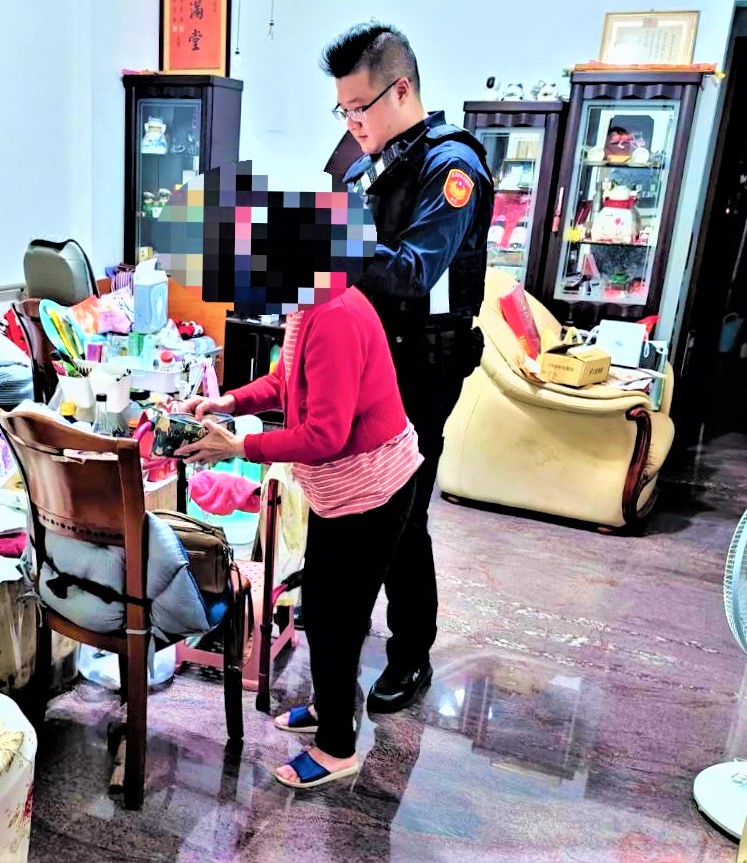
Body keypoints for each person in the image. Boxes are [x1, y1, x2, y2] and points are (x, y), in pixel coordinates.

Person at [175, 281, 422, 790]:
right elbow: (286, 379)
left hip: (371, 490)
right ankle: (330, 706)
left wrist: (239, 446)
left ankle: (337, 748)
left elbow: (326, 434)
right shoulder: (307, 306)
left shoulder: (333, 315)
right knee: (325, 606)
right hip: (340, 490)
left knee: (338, 619)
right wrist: (228, 401)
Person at [321, 22, 495, 713]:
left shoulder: (452, 167)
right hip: (368, 355)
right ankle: (343, 619)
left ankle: (410, 653)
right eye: (342, 110)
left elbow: (417, 270)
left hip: (421, 366)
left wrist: (327, 241)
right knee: (351, 495)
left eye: (359, 108)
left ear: (400, 90)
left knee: (402, 513)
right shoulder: (373, 158)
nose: (352, 123)